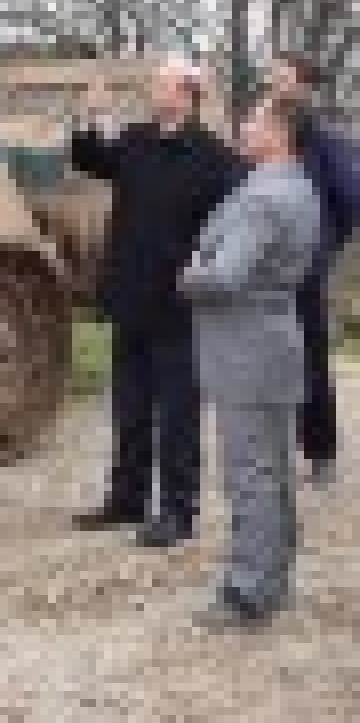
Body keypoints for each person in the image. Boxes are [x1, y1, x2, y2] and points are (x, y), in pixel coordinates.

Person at [70, 61, 247, 547]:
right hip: (131, 297)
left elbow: (230, 229)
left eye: (161, 84)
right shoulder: (136, 139)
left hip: (180, 304)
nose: (152, 90)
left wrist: (205, 275)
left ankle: (177, 511)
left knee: (178, 414)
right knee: (129, 407)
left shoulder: (214, 157)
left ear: (187, 95)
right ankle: (126, 499)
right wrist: (90, 117)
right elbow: (89, 161)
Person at [180, 96, 321, 629]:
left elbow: (225, 276)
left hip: (244, 350)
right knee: (274, 472)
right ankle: (274, 579)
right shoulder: (299, 187)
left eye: (254, 119)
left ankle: (246, 593)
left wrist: (189, 276)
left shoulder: (261, 197)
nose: (243, 126)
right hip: (276, 341)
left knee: (249, 475)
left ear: (278, 131)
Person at [268, 54, 360, 487]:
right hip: (264, 268)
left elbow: (350, 198)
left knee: (310, 359)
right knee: (268, 358)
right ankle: (273, 450)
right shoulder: (268, 132)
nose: (274, 82)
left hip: (305, 269)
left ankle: (320, 452)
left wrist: (323, 246)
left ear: (303, 87)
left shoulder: (324, 138)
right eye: (272, 76)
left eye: (282, 77)